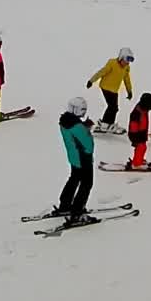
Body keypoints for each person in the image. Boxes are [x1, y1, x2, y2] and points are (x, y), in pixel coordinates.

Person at [55, 96, 97, 224]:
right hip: (83, 158)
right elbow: (88, 144)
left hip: (74, 157)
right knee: (86, 183)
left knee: (74, 179)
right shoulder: (77, 126)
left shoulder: (65, 121)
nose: (83, 113)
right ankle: (77, 213)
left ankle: (65, 205)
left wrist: (83, 126)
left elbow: (74, 135)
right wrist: (86, 130)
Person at [85, 47, 135, 131]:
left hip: (114, 90)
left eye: (129, 61)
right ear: (121, 57)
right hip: (105, 87)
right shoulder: (112, 63)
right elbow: (102, 72)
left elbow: (127, 79)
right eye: (125, 60)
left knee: (114, 107)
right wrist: (91, 81)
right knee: (112, 107)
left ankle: (109, 124)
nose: (126, 63)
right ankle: (105, 124)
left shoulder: (126, 68)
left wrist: (129, 91)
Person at [126, 92, 151, 169]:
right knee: (141, 147)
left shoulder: (143, 109)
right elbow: (133, 126)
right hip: (136, 135)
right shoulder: (136, 113)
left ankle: (139, 159)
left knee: (142, 148)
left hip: (142, 133)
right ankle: (136, 164)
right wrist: (136, 137)